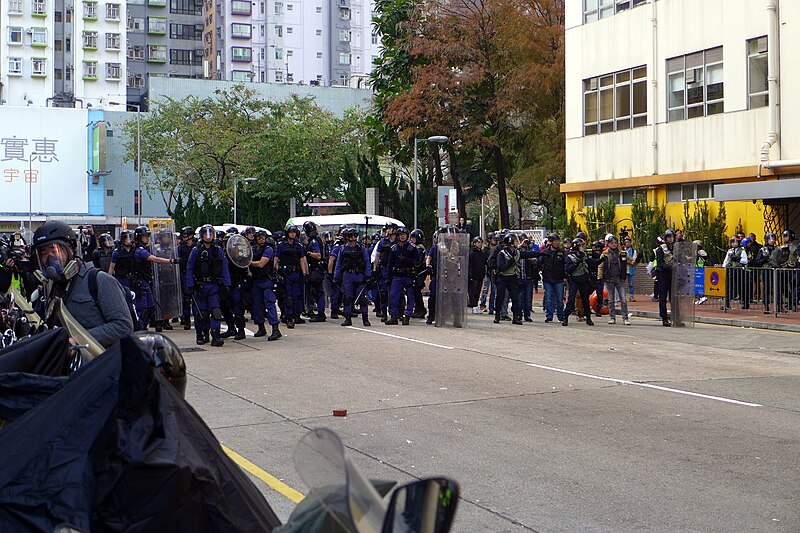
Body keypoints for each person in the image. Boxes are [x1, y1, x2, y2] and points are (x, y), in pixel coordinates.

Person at [32, 220, 133, 348]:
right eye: (44, 253)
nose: (50, 257)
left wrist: (78, 340)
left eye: (55, 250)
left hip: (101, 363)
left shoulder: (99, 280)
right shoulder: (56, 287)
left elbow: (123, 326)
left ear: (71, 249)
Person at [186, 224, 231, 346]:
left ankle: (215, 336)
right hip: (199, 286)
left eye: (210, 234)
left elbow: (224, 267)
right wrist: (189, 285)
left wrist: (227, 284)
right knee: (202, 313)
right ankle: (201, 333)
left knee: (215, 310)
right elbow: (190, 268)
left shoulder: (218, 250)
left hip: (214, 285)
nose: (208, 237)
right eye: (206, 234)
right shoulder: (196, 251)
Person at [493, 234, 537, 325]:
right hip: (503, 278)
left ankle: (516, 317)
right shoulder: (502, 253)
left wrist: (541, 253)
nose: (518, 243)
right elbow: (501, 267)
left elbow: (528, 254)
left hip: (512, 278)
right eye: (516, 241)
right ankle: (497, 315)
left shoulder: (517, 252)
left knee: (515, 298)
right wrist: (510, 262)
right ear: (512, 243)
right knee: (500, 297)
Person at [334, 228, 372, 326]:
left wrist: (368, 276)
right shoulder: (343, 249)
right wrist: (336, 276)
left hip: (359, 274)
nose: (353, 238)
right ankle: (347, 318)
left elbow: (367, 262)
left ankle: (365, 318)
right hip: (347, 275)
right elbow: (339, 263)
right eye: (351, 236)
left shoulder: (361, 248)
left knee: (362, 298)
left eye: (354, 235)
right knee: (347, 297)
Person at [385, 226, 422, 325]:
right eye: (400, 235)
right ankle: (394, 316)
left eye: (404, 235)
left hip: (409, 275)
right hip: (398, 275)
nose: (402, 237)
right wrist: (388, 277)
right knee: (393, 296)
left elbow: (417, 262)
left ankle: (407, 316)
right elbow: (390, 264)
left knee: (410, 296)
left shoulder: (412, 248)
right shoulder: (394, 249)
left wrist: (406, 260)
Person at [249, 230, 282, 341]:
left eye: (263, 237)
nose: (261, 239)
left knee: (270, 304)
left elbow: (261, 263)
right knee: (256, 306)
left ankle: (275, 329)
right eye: (259, 237)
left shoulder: (268, 249)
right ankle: (261, 327)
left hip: (267, 280)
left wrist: (248, 263)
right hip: (256, 281)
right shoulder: (253, 249)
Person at [275, 225, 308, 329]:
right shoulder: (281, 246)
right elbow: (276, 259)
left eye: (294, 232)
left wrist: (304, 273)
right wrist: (276, 271)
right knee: (288, 296)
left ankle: (296, 315)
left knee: (297, 296)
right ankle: (289, 318)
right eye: (291, 232)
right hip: (285, 273)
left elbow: (302, 260)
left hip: (296, 273)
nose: (293, 234)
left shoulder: (298, 246)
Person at [598, 235, 630, 325]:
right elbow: (600, 266)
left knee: (623, 299)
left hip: (620, 278)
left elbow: (630, 261)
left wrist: (637, 259)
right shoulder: (605, 254)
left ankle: (625, 318)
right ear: (608, 244)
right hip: (609, 278)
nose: (614, 245)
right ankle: (612, 317)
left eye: (615, 243)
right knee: (611, 300)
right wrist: (599, 277)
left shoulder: (622, 253)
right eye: (612, 243)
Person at [562, 238, 594, 326]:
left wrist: (600, 260)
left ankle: (588, 317)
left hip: (583, 279)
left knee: (585, 299)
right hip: (574, 280)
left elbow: (590, 263)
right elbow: (567, 269)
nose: (583, 247)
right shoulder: (570, 256)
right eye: (581, 245)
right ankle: (565, 317)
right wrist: (576, 264)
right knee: (571, 299)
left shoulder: (584, 255)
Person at [303, 221, 327, 322]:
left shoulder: (314, 241)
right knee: (316, 292)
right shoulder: (316, 239)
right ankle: (317, 311)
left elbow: (318, 255)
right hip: (316, 269)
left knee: (318, 292)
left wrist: (308, 253)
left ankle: (321, 313)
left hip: (315, 270)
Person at [373, 222, 398, 321]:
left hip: (395, 270)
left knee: (395, 293)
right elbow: (377, 256)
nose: (388, 231)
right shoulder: (382, 242)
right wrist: (375, 269)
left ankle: (396, 313)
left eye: (390, 228)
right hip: (384, 269)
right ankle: (384, 313)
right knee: (383, 293)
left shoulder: (398, 242)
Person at [538, 234, 566, 323]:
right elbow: (539, 263)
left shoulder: (562, 252)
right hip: (548, 279)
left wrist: (565, 276)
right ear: (550, 242)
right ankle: (549, 316)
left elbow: (566, 264)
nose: (557, 243)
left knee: (560, 299)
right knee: (549, 298)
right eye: (555, 241)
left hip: (559, 279)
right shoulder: (545, 252)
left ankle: (560, 316)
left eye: (558, 241)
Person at [653, 229, 676, 326]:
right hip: (663, 275)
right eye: (668, 237)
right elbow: (660, 264)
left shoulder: (676, 248)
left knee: (674, 298)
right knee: (662, 297)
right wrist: (670, 267)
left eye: (672, 237)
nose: (670, 239)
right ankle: (664, 317)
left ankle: (676, 317)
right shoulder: (660, 249)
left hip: (674, 275)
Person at [752, 233, 777, 314]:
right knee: (766, 288)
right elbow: (757, 261)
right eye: (770, 239)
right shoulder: (762, 250)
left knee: (777, 288)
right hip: (766, 270)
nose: (772, 241)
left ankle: (779, 306)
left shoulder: (777, 249)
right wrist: (764, 259)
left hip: (775, 270)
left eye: (773, 239)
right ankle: (766, 305)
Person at [177, 226, 196, 330]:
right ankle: (186, 319)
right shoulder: (180, 248)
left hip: (195, 274)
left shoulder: (197, 246)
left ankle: (197, 319)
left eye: (185, 235)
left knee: (197, 298)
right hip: (184, 274)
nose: (183, 237)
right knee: (186, 299)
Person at [722, 236, 748, 310]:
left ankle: (745, 303)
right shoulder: (729, 251)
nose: (734, 244)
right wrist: (724, 267)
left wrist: (737, 259)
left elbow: (745, 261)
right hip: (730, 270)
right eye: (733, 242)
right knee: (728, 287)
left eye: (736, 242)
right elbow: (726, 260)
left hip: (739, 270)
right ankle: (727, 304)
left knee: (741, 287)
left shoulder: (742, 250)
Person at [410, 229, 428, 319]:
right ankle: (418, 309)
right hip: (418, 272)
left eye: (413, 238)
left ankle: (420, 309)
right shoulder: (418, 247)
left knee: (416, 291)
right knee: (415, 291)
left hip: (419, 272)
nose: (412, 239)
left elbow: (418, 262)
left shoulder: (419, 248)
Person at [518, 239, 538, 322]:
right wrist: (520, 245)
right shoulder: (517, 251)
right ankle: (519, 315)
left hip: (528, 277)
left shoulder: (530, 252)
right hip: (519, 277)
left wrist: (532, 259)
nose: (525, 244)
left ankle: (527, 315)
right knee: (519, 298)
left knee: (528, 298)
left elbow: (536, 262)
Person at [479, 233, 498, 313]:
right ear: (490, 240)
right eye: (494, 239)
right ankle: (482, 305)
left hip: (494, 272)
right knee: (485, 289)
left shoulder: (497, 249)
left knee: (494, 290)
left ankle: (491, 307)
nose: (495, 241)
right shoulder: (486, 250)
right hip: (487, 272)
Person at [468, 236, 486, 314]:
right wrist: (470, 275)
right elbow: (470, 265)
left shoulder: (482, 253)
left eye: (481, 242)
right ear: (474, 243)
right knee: (473, 292)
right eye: (478, 242)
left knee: (478, 291)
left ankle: (476, 305)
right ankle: (473, 306)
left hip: (480, 275)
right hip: (473, 276)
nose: (480, 244)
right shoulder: (471, 253)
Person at [623, 236, 637, 301]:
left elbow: (633, 261)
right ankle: (622, 297)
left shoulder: (634, 251)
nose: (627, 243)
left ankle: (631, 296)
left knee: (631, 284)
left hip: (631, 270)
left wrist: (626, 260)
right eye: (626, 242)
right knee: (622, 285)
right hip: (623, 270)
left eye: (628, 242)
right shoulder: (622, 251)